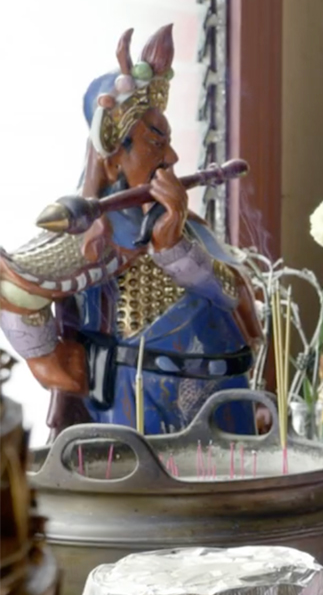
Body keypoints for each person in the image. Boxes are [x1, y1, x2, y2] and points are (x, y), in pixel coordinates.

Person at [0, 25, 261, 435]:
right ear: (112, 162)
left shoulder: (182, 221)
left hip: (227, 398)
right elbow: (15, 290)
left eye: (169, 141)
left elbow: (229, 293)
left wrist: (172, 244)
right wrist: (61, 365)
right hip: (142, 407)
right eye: (156, 142)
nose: (172, 156)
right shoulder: (94, 236)